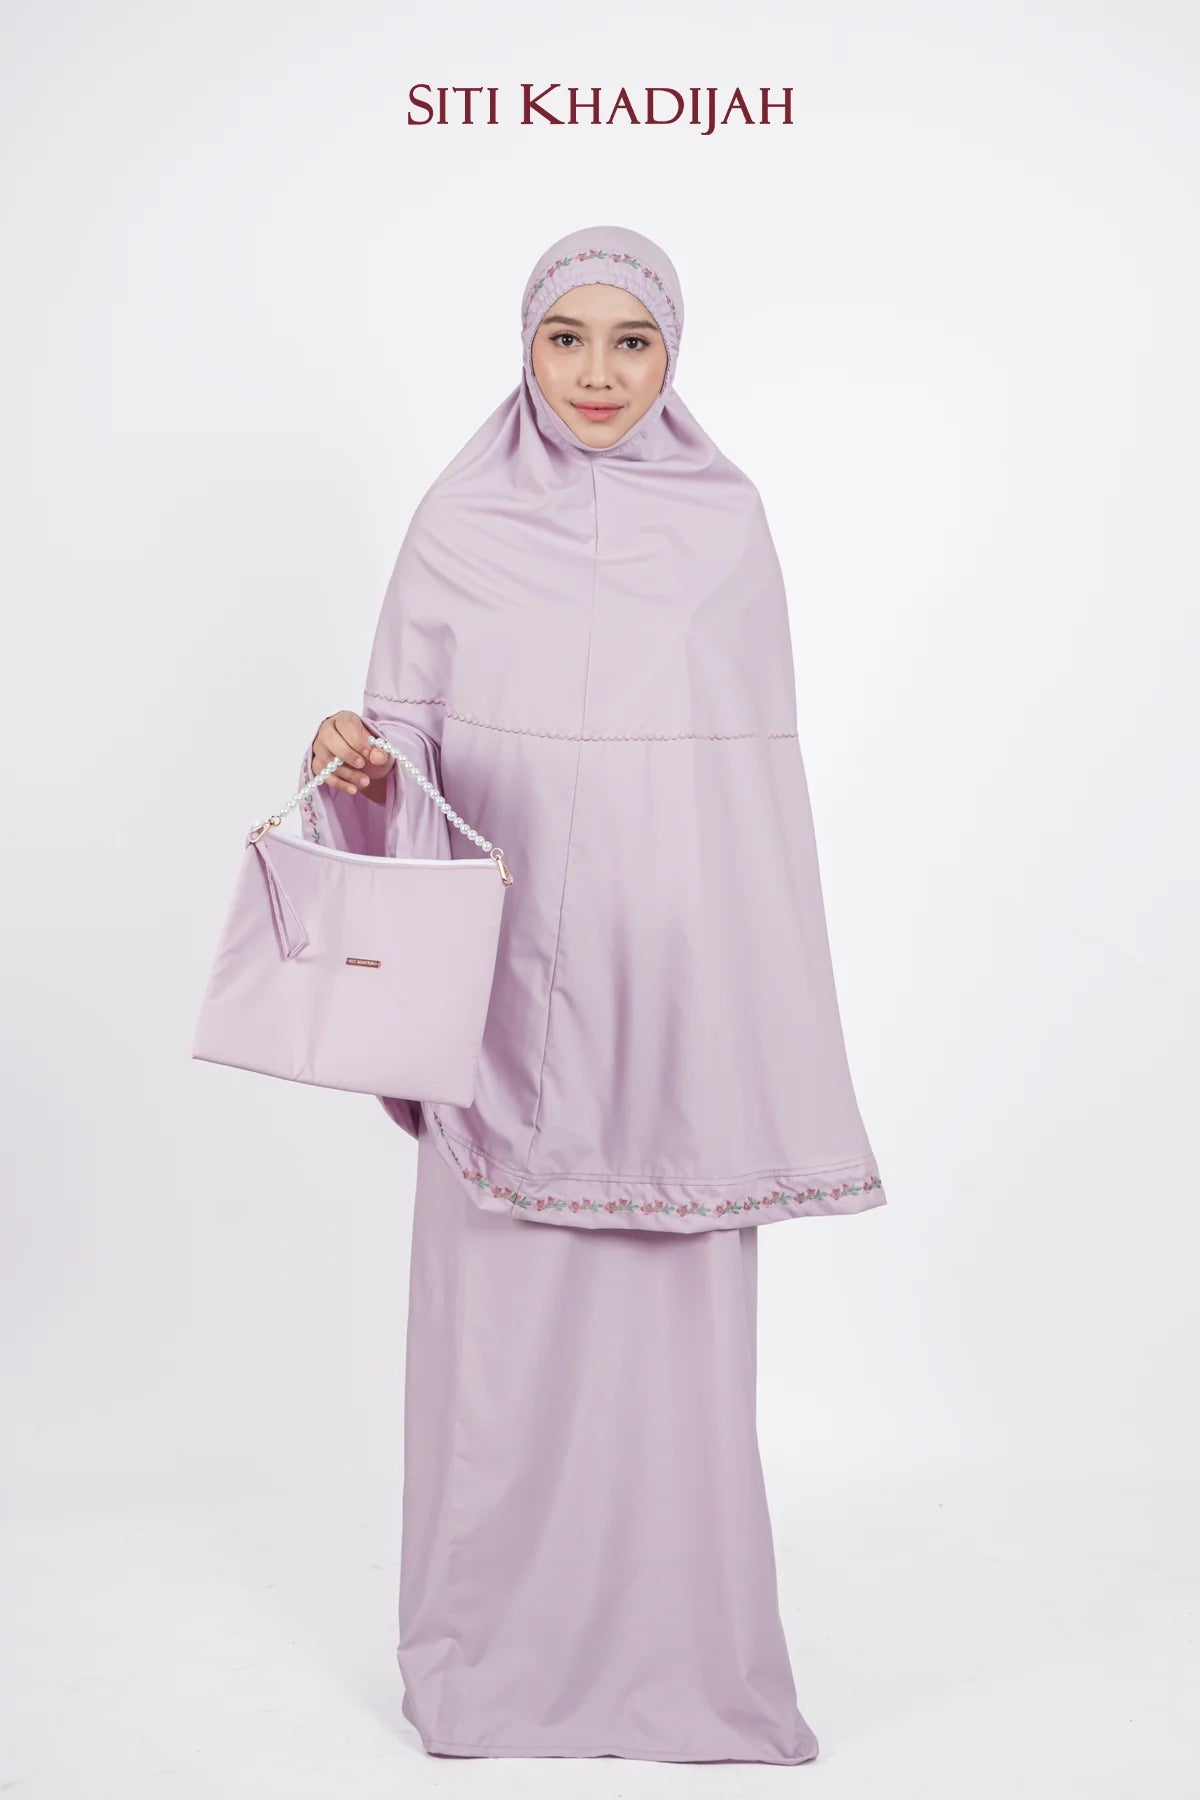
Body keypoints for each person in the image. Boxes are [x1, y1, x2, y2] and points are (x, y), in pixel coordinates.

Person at [299, 224, 887, 1764]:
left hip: (674, 993)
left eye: (634, 340)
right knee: (498, 1348)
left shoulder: (725, 526)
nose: (600, 372)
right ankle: (489, 1676)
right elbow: (407, 741)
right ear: (526, 348)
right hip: (504, 1003)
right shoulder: (458, 522)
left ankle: (687, 1673)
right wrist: (357, 760)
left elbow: (750, 794)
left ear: (674, 353)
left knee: (673, 1351)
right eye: (569, 338)